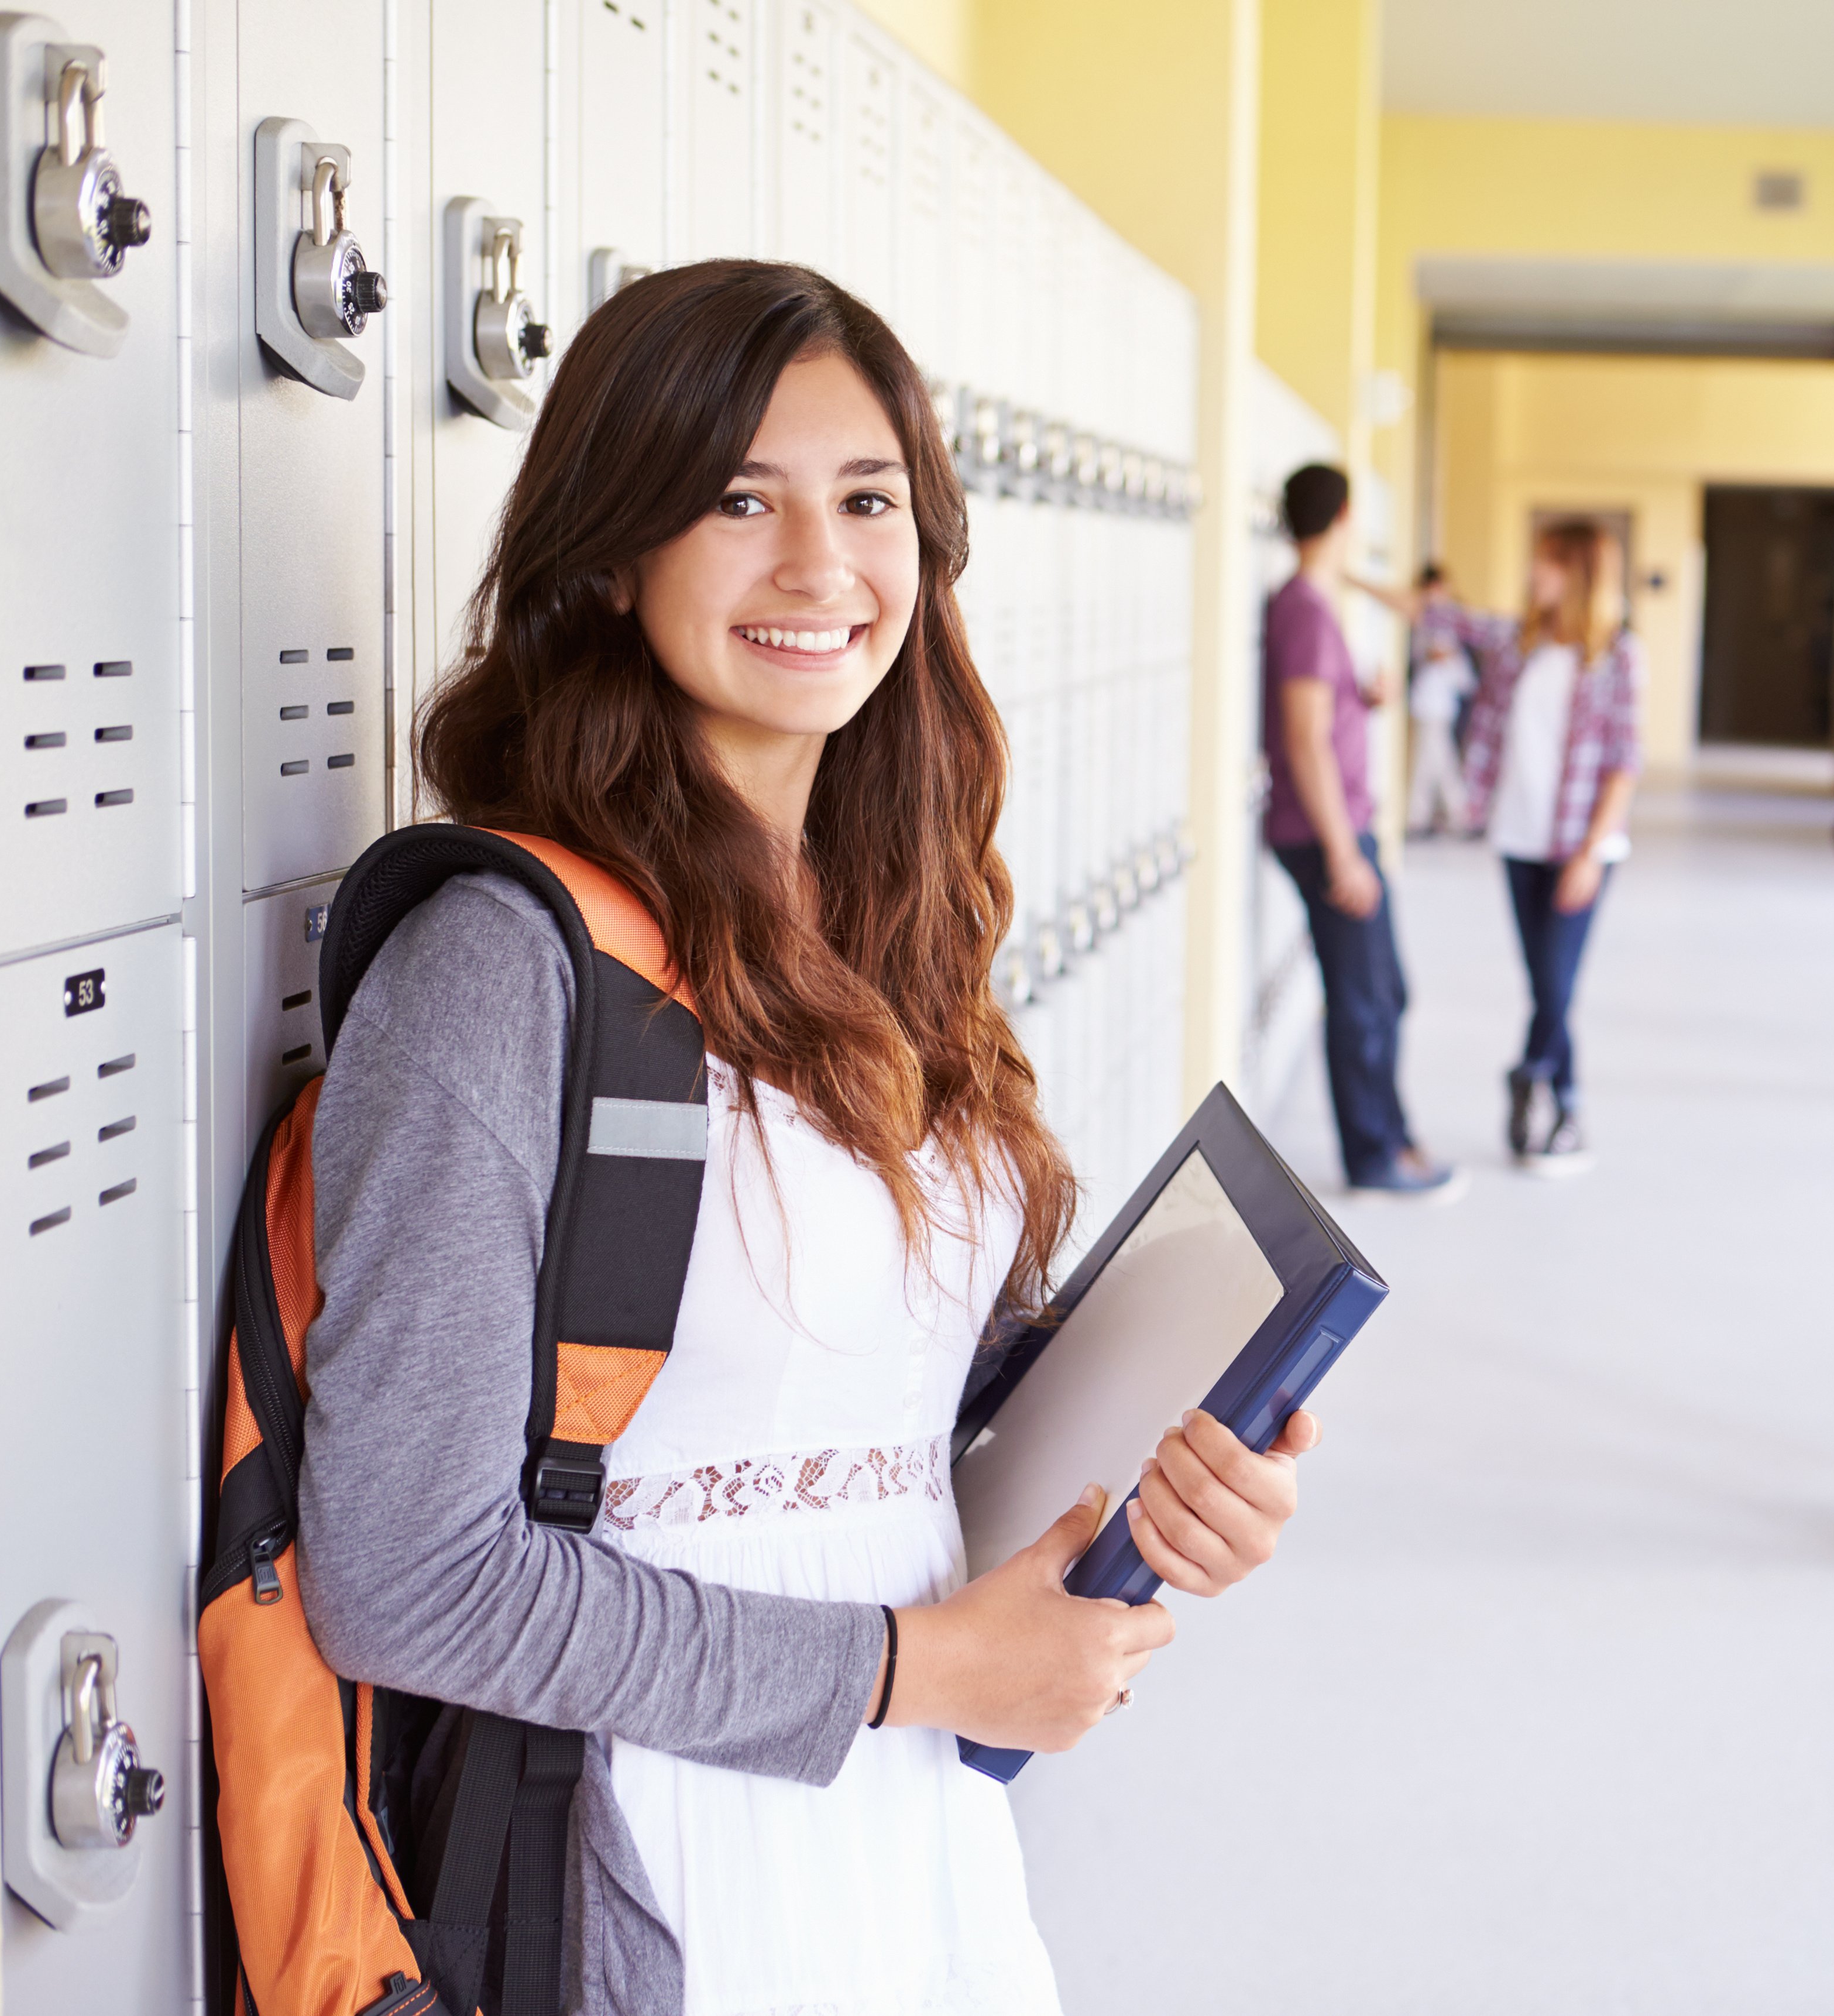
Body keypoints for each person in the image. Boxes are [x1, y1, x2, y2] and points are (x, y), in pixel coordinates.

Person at [300, 261, 1320, 2015]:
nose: (817, 564)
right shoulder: (501, 966)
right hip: (654, 1852)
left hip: (910, 1825)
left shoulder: (886, 928)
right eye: (736, 499)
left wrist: (1173, 1470)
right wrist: (916, 1662)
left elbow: (864, 1379)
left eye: (868, 501)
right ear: (611, 551)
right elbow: (408, 1571)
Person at [1366, 522, 1642, 1173]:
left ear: (1575, 573)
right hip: (1519, 839)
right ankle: (1558, 1102)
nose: (1530, 574)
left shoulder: (1618, 654)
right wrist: (1338, 573)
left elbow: (1624, 765)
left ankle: (1536, 1078)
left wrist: (1588, 853)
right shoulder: (1520, 643)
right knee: (1546, 983)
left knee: (1556, 982)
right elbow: (1434, 613)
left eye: (1544, 564)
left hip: (1585, 846)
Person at [1263, 465, 1461, 1197]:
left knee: (1383, 990)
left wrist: (1360, 698)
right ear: (1345, 518)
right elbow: (1305, 738)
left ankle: (1393, 1135)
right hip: (1327, 836)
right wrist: (1345, 854)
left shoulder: (1306, 601)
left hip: (1331, 828)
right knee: (1363, 996)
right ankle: (1375, 1155)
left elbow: (1319, 717)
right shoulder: (1308, 611)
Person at [1405, 562, 1476, 837]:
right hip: (1429, 699)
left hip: (1443, 699)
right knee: (1436, 759)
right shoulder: (1422, 617)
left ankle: (1427, 816)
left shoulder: (1452, 615)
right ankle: (1453, 815)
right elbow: (1427, 653)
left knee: (1436, 758)